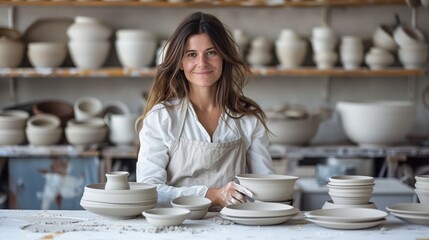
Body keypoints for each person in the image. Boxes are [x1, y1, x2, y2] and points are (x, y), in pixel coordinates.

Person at [136, 11, 275, 209]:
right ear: (181, 63)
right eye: (192, 55)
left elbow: (265, 187)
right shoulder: (162, 117)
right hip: (178, 226)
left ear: (224, 58)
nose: (202, 63)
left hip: (236, 227)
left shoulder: (247, 119)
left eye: (211, 52)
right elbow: (148, 190)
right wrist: (211, 195)